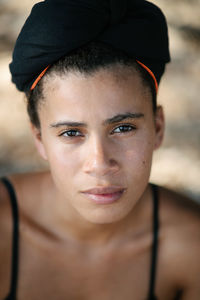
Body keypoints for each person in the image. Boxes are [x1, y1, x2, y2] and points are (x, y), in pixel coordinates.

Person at [0, 0, 200, 299]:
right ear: (39, 138)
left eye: (123, 128)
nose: (100, 163)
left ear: (158, 128)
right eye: (71, 133)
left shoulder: (189, 245)